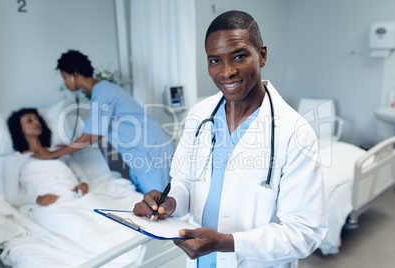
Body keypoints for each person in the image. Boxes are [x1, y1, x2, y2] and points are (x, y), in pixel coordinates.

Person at [133, 10, 327, 268]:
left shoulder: (295, 132)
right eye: (215, 60)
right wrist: (169, 202)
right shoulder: (199, 115)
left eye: (239, 56)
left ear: (262, 55)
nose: (227, 72)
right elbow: (183, 181)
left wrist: (225, 242)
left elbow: (304, 232)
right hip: (202, 261)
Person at [4, 108, 142, 265]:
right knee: (80, 229)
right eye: (29, 120)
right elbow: (11, 196)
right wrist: (37, 199)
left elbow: (81, 175)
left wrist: (84, 184)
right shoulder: (15, 160)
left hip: (77, 196)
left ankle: (140, 255)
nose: (36, 122)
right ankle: (118, 263)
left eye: (37, 119)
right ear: (18, 128)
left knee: (108, 223)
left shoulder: (58, 150)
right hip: (50, 205)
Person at [33, 50, 174, 194]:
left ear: (74, 74)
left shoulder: (103, 93)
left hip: (149, 153)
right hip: (144, 152)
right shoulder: (103, 89)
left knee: (159, 205)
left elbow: (90, 137)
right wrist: (66, 148)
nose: (65, 83)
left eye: (64, 77)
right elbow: (92, 135)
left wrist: (53, 154)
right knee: (150, 202)